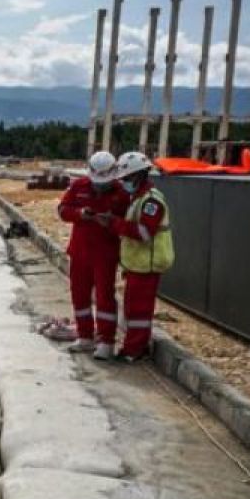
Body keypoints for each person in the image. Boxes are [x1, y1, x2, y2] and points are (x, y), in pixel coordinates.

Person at [96, 151, 175, 362]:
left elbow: (144, 233)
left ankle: (135, 350)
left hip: (148, 264)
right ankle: (133, 346)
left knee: (139, 310)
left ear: (140, 175)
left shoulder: (151, 202)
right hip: (138, 264)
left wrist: (113, 223)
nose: (124, 183)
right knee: (132, 307)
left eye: (127, 178)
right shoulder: (138, 198)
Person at [56, 150, 129, 360]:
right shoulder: (79, 187)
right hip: (80, 251)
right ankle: (85, 336)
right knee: (79, 295)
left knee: (104, 297)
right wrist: (80, 214)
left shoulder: (122, 194)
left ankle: (106, 341)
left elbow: (127, 223)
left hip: (105, 254)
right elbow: (62, 210)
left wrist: (112, 222)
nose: (100, 186)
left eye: (104, 182)